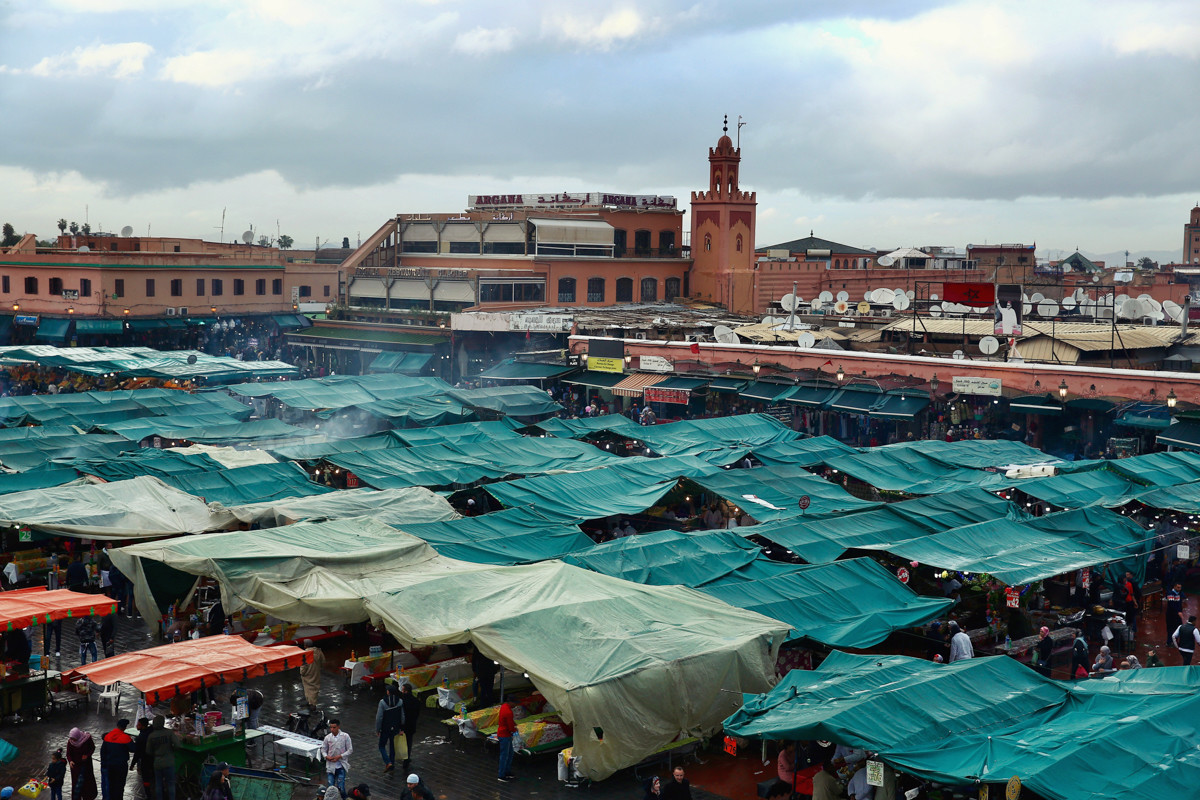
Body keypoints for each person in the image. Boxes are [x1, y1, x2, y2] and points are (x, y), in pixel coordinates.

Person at [98, 719, 134, 800]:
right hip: (121, 766)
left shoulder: (108, 736)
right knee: (120, 786)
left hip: (110, 765)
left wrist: (103, 764)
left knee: (111, 785)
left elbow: (103, 751)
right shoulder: (125, 737)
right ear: (125, 728)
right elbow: (133, 748)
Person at [375, 682, 405, 773]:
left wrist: (377, 729)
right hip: (395, 727)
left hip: (385, 728)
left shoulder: (382, 702)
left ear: (388, 692)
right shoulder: (400, 701)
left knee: (381, 746)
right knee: (393, 746)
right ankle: (392, 763)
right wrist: (401, 727)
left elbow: (379, 717)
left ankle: (388, 762)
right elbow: (402, 716)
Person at [146, 715, 177, 800]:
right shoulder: (169, 733)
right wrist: (172, 750)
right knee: (171, 783)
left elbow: (148, 751)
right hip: (169, 761)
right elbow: (178, 745)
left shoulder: (151, 736)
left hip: (157, 762)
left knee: (158, 784)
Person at [321, 719, 353, 798]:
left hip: (341, 766)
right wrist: (326, 756)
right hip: (330, 766)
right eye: (331, 727)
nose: (332, 729)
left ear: (338, 727)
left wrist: (340, 756)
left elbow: (350, 750)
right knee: (330, 788)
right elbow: (323, 749)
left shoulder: (345, 736)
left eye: (334, 727)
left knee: (341, 788)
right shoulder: (327, 738)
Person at [66, 728, 97, 800]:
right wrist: (70, 761)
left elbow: (92, 748)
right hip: (75, 766)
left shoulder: (87, 739)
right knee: (77, 784)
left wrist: (87, 755)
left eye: (74, 739)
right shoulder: (70, 742)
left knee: (87, 783)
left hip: (86, 765)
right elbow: (68, 753)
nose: (73, 740)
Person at [399, 682, 421, 774]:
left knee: (402, 742)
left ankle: (404, 758)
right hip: (411, 725)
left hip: (404, 725)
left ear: (405, 691)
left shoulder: (401, 700)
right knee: (409, 742)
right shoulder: (416, 701)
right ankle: (407, 758)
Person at [129, 718, 152, 799]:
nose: (136, 726)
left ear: (142, 726)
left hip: (145, 760)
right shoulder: (151, 731)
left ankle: (148, 794)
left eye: (138, 725)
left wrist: (132, 764)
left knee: (145, 778)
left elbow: (137, 753)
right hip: (153, 759)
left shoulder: (140, 737)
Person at [300, 639, 325, 708]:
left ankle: (312, 704)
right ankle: (311, 703)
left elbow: (303, 665)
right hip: (316, 672)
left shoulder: (305, 653)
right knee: (314, 688)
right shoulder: (318, 651)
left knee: (308, 689)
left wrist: (302, 673)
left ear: (306, 645)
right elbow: (323, 661)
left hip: (308, 674)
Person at [496, 697, 516, 782]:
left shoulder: (504, 706)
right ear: (511, 702)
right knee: (504, 755)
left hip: (502, 734)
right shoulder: (509, 712)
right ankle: (501, 775)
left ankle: (507, 772)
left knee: (510, 753)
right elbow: (510, 726)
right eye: (515, 703)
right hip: (505, 735)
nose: (515, 705)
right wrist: (515, 730)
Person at [1120, 571, 1141, 643]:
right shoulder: (1120, 585)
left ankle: (1132, 631)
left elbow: (1132, 594)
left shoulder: (1130, 584)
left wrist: (1135, 602)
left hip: (1129, 603)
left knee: (1131, 617)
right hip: (1123, 604)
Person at [1166, 582, 1185, 647]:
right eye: (1178, 587)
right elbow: (1172, 604)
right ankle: (1169, 642)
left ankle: (1175, 642)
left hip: (1177, 615)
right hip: (1171, 615)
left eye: (1180, 587)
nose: (1179, 589)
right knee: (1170, 629)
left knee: (1178, 628)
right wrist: (1178, 612)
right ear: (1174, 587)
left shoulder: (1180, 593)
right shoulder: (1170, 594)